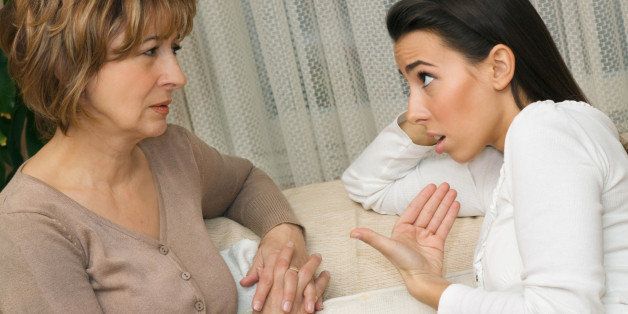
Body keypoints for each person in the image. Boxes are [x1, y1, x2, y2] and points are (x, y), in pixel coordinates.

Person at [0, 1, 329, 313]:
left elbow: (245, 181)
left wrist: (284, 242)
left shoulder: (173, 153)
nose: (178, 77)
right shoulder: (28, 226)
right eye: (149, 51)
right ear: (66, 66)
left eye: (175, 49)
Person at [342, 0, 628, 312]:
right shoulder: (498, 167)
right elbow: (368, 185)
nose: (412, 111)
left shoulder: (546, 130)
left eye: (424, 78)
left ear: (499, 67)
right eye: (408, 84)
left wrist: (431, 288)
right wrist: (427, 119)